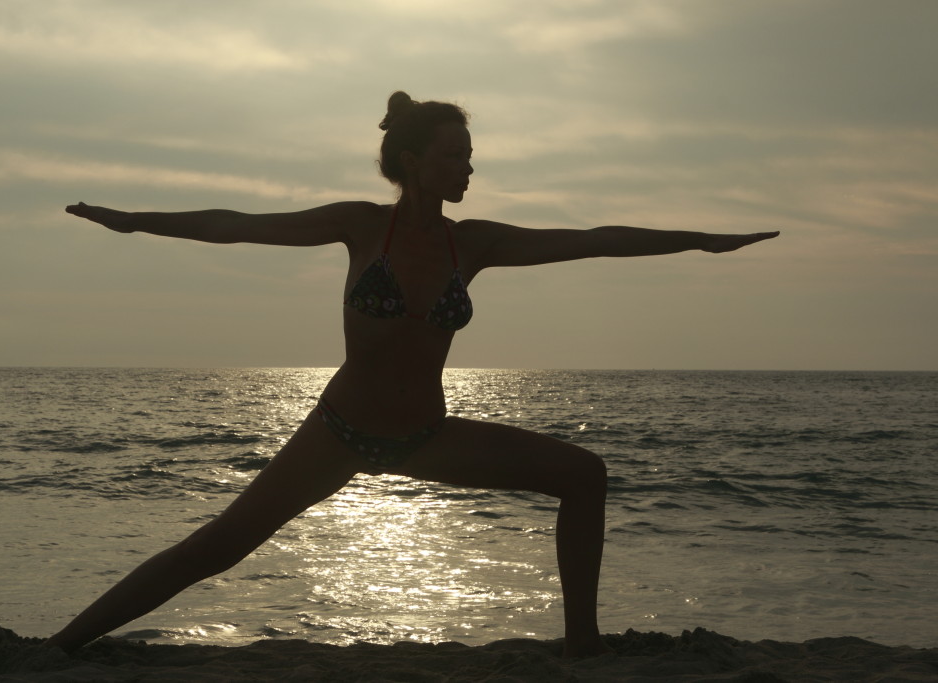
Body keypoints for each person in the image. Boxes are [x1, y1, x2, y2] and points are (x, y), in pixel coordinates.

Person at [50, 91, 778, 657]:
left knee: (585, 474)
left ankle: (581, 642)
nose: (469, 167)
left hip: (425, 435)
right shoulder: (362, 226)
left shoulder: (476, 244)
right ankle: (60, 645)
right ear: (416, 160)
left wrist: (700, 243)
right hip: (337, 431)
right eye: (458, 154)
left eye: (471, 154)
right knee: (214, 547)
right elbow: (238, 222)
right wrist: (135, 220)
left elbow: (595, 240)